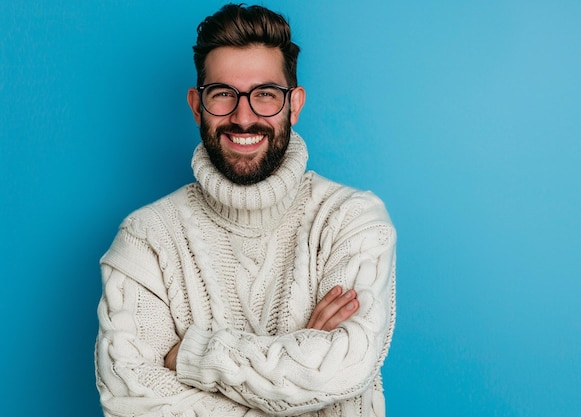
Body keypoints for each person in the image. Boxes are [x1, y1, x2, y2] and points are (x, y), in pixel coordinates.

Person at [95, 4, 396, 416]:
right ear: (197, 105)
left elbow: (344, 366)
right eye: (222, 94)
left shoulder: (351, 220)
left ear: (294, 105)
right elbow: (130, 399)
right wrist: (300, 370)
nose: (243, 117)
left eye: (265, 95)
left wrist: (194, 356)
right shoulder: (144, 239)